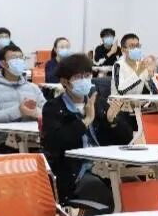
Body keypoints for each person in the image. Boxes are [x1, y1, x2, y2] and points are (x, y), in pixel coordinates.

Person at [41, 53, 133, 204]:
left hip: (106, 165)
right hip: (77, 171)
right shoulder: (53, 108)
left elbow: (126, 139)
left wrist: (112, 121)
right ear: (65, 81)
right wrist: (86, 121)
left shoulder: (98, 103)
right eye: (78, 77)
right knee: (105, 195)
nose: (84, 80)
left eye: (87, 75)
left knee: (135, 184)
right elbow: (54, 143)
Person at [0, 43, 45, 152]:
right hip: (3, 139)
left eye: (21, 58)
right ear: (3, 63)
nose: (19, 61)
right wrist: (19, 111)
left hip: (33, 139)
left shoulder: (33, 87)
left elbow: (47, 111)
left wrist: (36, 112)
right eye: (14, 58)